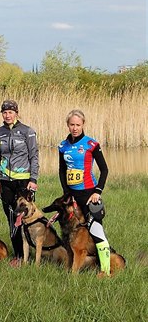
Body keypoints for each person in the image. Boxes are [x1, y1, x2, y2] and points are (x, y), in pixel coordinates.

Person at [58, 109, 111, 276]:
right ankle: (74, 264)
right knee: (72, 232)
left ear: (83, 125)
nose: (75, 128)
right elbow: (62, 171)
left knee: (96, 231)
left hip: (89, 195)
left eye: (78, 125)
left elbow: (104, 169)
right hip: (72, 197)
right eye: (72, 124)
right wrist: (67, 193)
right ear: (68, 125)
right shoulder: (62, 146)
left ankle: (106, 270)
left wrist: (98, 191)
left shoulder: (91, 144)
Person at [0, 99, 39, 266]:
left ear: (16, 113)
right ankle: (18, 255)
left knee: (27, 218)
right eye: (4, 112)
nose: (7, 115)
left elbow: (34, 156)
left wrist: (33, 179)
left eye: (10, 112)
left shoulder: (27, 131)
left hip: (23, 182)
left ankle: (32, 252)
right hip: (5, 182)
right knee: (12, 218)